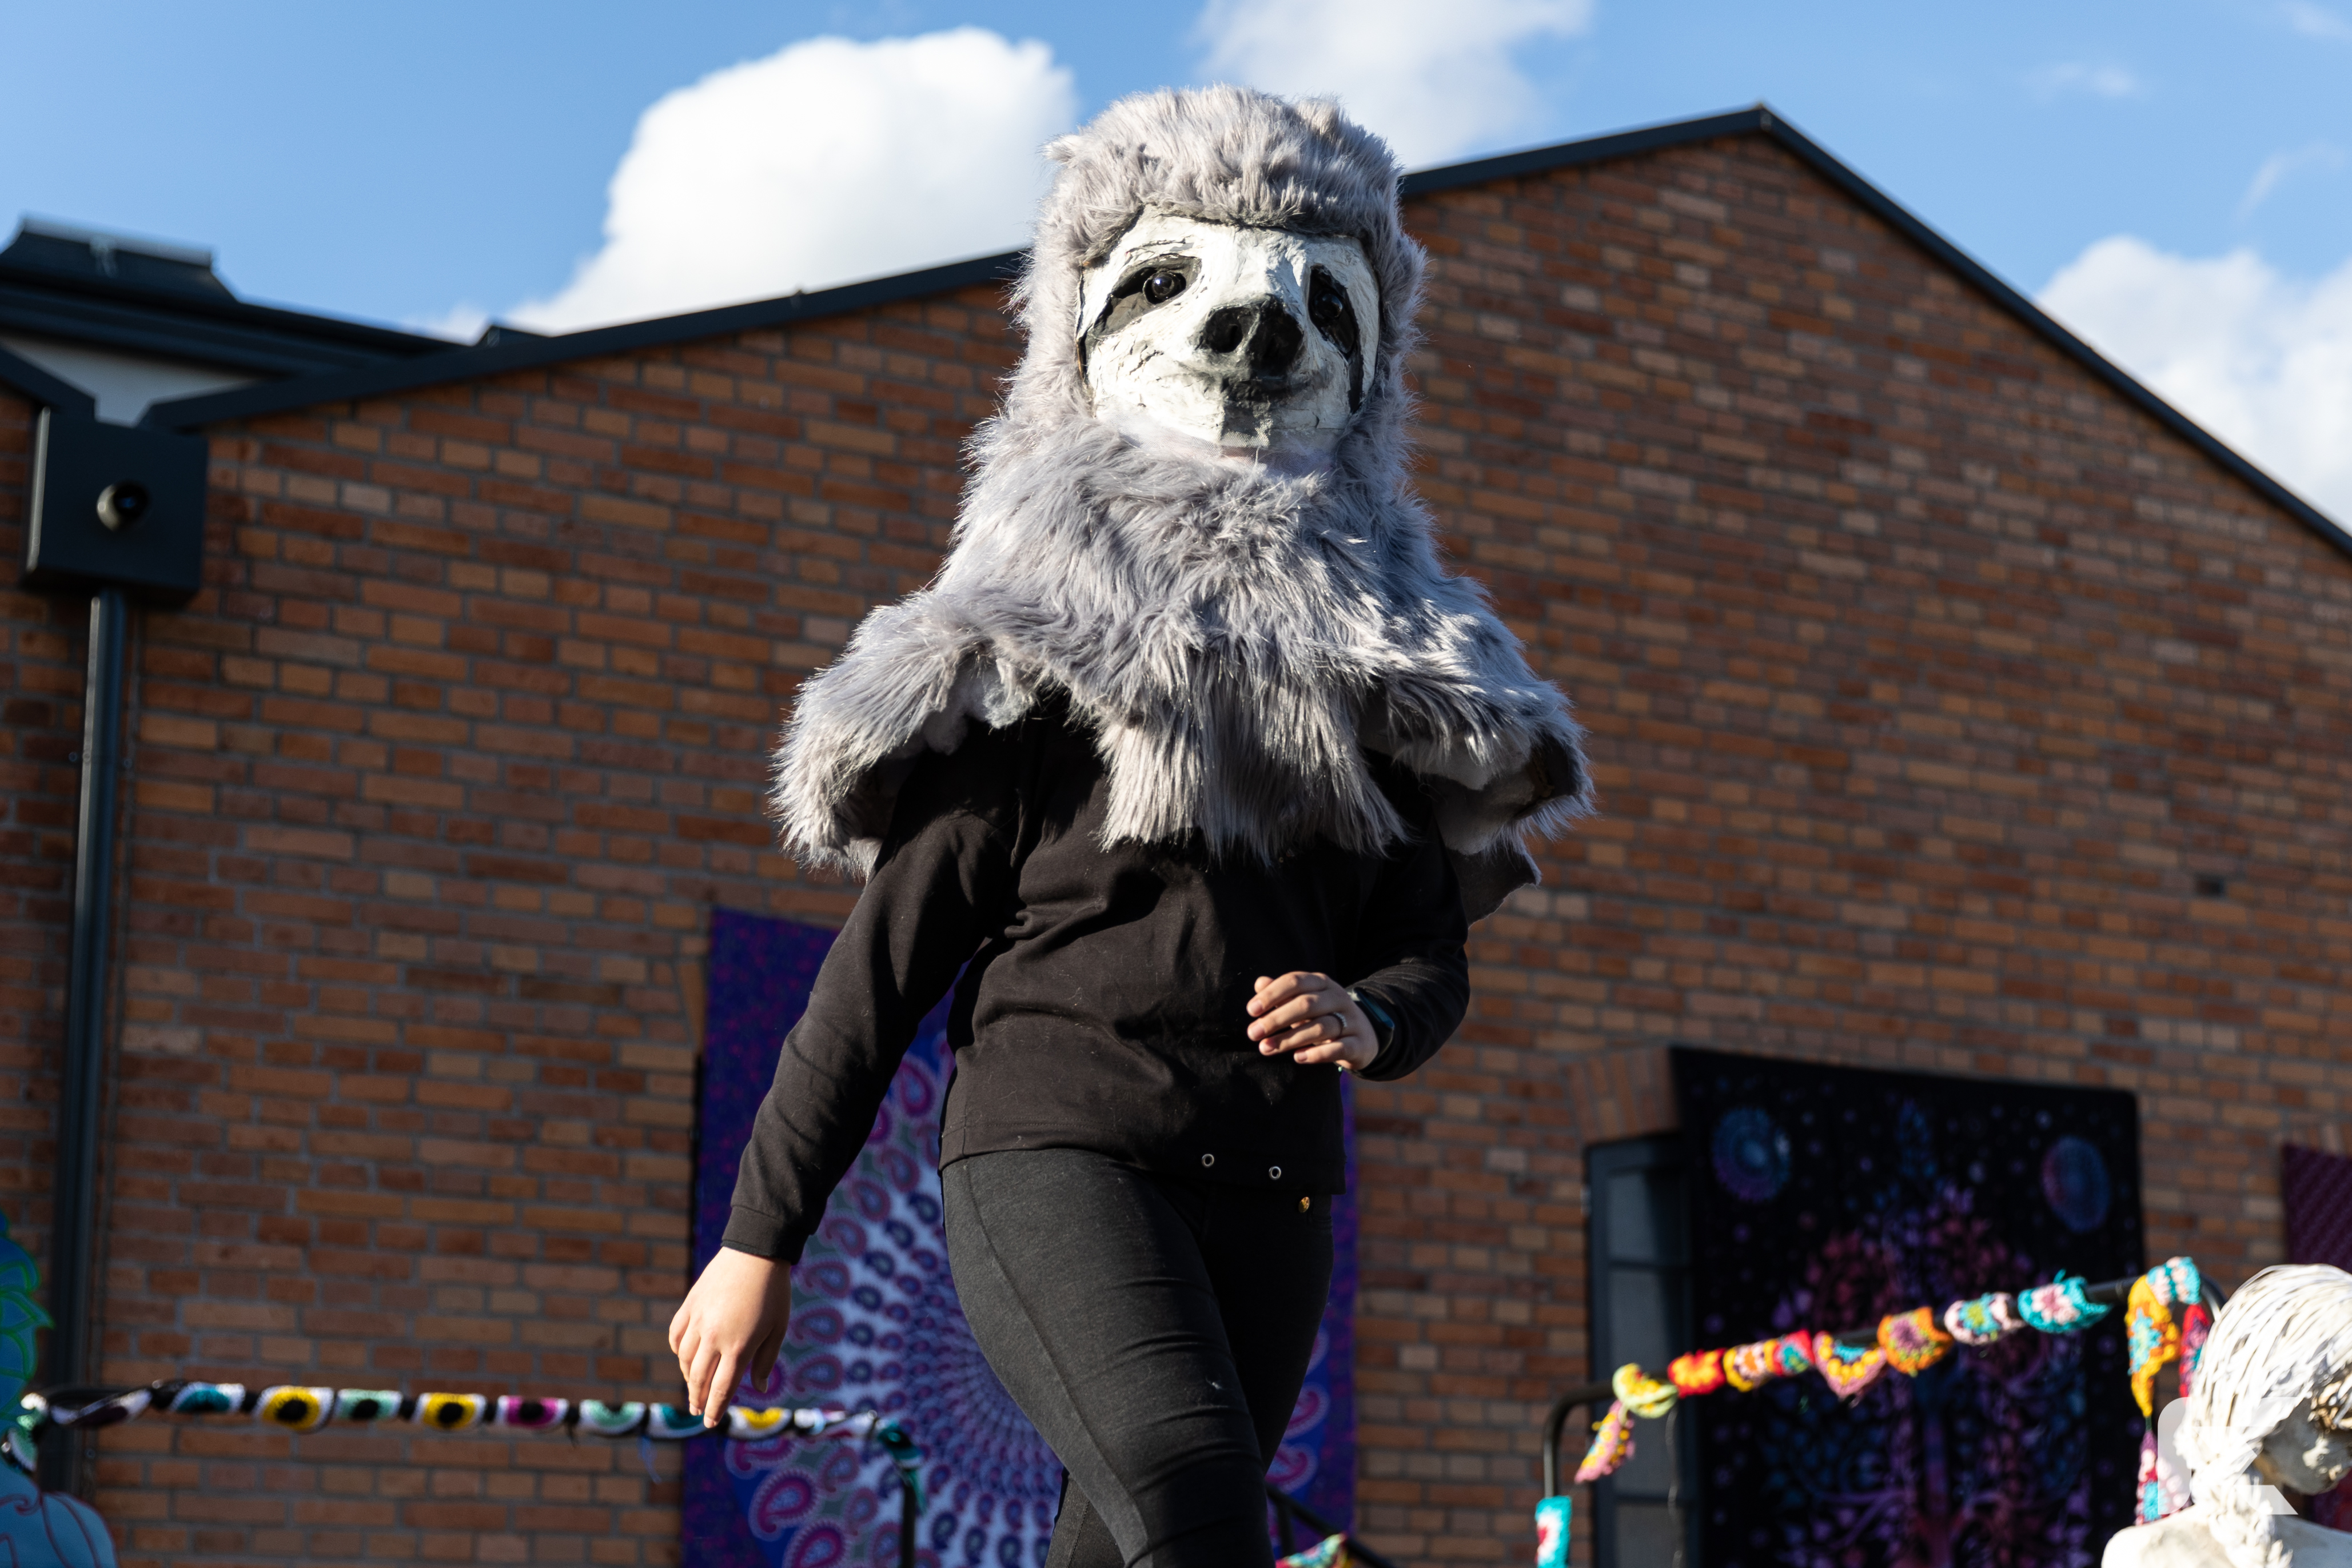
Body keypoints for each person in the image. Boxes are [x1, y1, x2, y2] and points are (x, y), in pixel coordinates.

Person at [669, 85, 1589, 1568]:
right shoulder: (1029, 680)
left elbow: (1427, 956)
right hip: (1063, 1155)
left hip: (1275, 1197)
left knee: (1125, 1544)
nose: (1257, 330)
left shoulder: (1389, 699)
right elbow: (872, 986)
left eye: (1316, 302)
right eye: (1174, 281)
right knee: (1195, 1502)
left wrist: (1370, 1017)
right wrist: (754, 1244)